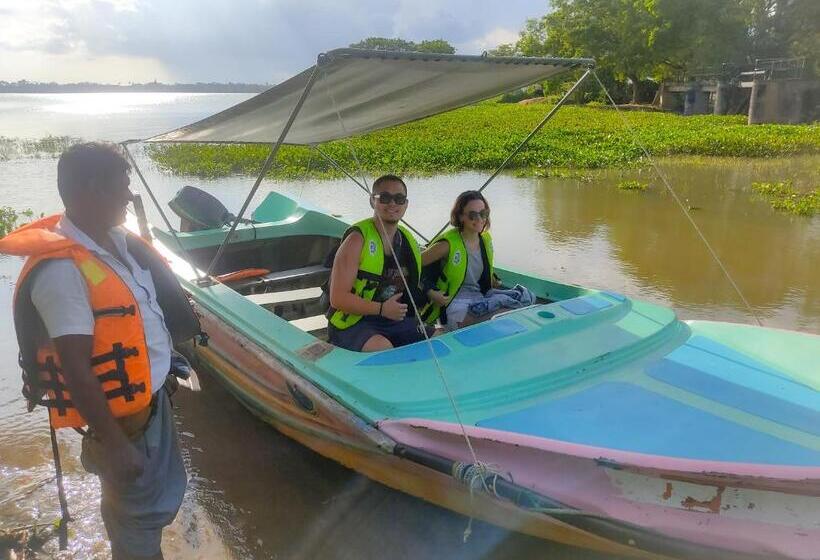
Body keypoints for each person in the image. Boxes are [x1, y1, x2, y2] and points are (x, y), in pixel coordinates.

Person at [0, 142, 201, 560]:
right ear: (93, 189)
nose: (129, 195)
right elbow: (75, 366)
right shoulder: (61, 272)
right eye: (122, 185)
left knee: (154, 505)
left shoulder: (114, 242)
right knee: (135, 519)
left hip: (150, 403)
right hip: (122, 425)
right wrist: (115, 445)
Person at [326, 174, 427, 352]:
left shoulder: (408, 241)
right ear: (373, 201)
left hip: (393, 318)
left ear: (406, 204)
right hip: (353, 321)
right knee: (383, 348)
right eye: (385, 197)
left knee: (438, 339)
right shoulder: (357, 240)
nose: (392, 204)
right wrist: (381, 309)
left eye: (399, 199)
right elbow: (338, 298)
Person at [421, 190, 534, 330]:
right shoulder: (447, 245)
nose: (479, 219)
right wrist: (430, 291)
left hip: (480, 298)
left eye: (483, 213)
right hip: (454, 306)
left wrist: (492, 279)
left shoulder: (485, 240)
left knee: (524, 302)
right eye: (472, 215)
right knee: (507, 318)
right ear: (461, 216)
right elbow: (412, 267)